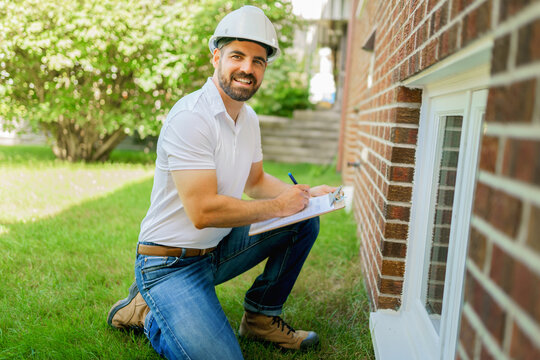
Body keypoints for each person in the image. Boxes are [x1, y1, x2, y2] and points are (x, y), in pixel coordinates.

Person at [107, 5, 338, 360]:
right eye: (237, 56)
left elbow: (256, 180)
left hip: (216, 250)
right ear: (217, 56)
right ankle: (148, 312)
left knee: (304, 218)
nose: (247, 68)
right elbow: (202, 211)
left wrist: (307, 196)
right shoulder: (191, 118)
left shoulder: (248, 119)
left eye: (258, 61)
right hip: (169, 262)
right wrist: (278, 207)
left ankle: (261, 317)